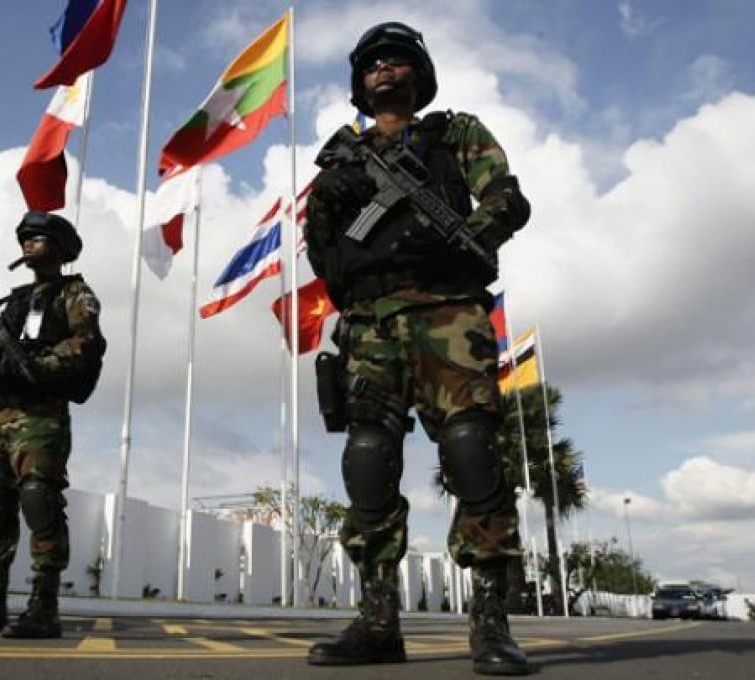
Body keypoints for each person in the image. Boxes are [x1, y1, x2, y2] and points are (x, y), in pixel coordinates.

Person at [303, 22, 532, 675]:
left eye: (397, 59)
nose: (384, 69)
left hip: (448, 311)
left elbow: (507, 200)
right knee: (369, 461)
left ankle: (491, 622)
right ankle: (378, 622)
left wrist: (459, 236)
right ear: (359, 80)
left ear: (419, 73)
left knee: (470, 450)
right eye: (373, 61)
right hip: (372, 323)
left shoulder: (454, 134)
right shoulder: (340, 160)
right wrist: (332, 203)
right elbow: (324, 255)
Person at [0, 211, 105, 639]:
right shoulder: (9, 303)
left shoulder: (76, 294)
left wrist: (34, 365)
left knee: (38, 498)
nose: (29, 243)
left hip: (41, 413)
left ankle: (43, 606)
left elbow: (85, 345)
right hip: (0, 413)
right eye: (25, 237)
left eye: (40, 237)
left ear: (61, 248)